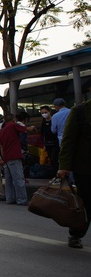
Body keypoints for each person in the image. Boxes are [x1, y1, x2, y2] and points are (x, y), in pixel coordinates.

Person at [56, 98, 91, 249]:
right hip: (86, 168)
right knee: (86, 204)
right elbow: (68, 141)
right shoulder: (80, 112)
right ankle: (76, 234)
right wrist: (64, 166)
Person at [0, 113, 35, 206]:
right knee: (19, 179)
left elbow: (1, 147)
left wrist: (3, 158)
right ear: (13, 120)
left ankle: (10, 198)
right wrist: (33, 127)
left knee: (9, 181)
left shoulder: (1, 131)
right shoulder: (13, 126)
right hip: (14, 156)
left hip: (6, 157)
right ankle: (22, 199)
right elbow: (27, 129)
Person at [39, 105, 59, 170]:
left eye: (45, 112)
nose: (44, 114)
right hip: (47, 143)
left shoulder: (54, 120)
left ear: (49, 112)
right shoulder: (43, 121)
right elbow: (42, 133)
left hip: (55, 143)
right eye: (42, 113)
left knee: (54, 158)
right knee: (51, 158)